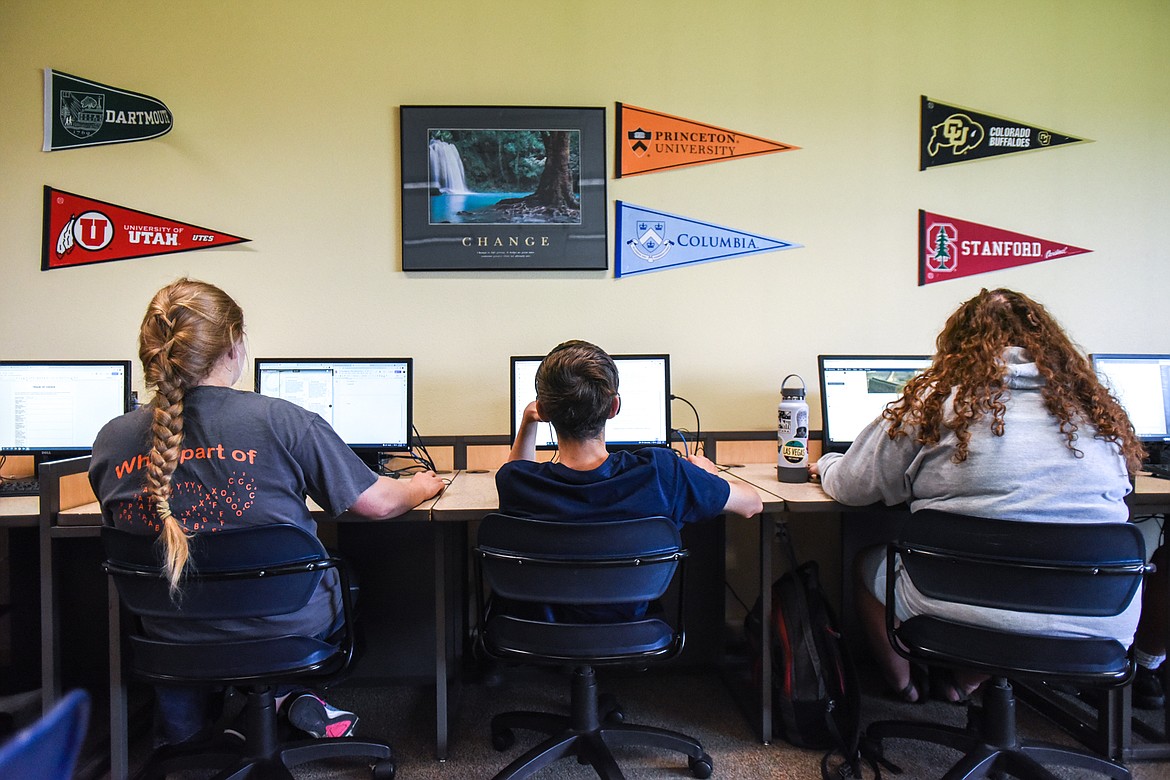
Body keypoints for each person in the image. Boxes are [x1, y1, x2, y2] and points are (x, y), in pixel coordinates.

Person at [88, 278, 444, 745]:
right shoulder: (283, 420)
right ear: (234, 347)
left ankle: (183, 734)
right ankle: (286, 693)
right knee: (345, 576)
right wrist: (419, 486)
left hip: (168, 634)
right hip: (285, 627)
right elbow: (377, 504)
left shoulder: (111, 439)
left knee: (187, 596)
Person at [808, 288, 1145, 705]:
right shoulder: (1097, 414)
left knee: (871, 563)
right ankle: (962, 685)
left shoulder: (933, 404)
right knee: (1016, 585)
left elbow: (851, 488)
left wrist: (824, 464)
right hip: (1096, 616)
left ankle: (905, 688)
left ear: (958, 346)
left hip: (963, 610)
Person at [496, 339, 763, 622]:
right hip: (630, 627)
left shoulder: (517, 483)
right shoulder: (663, 472)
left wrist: (528, 421)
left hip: (541, 630)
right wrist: (710, 476)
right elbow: (752, 505)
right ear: (614, 406)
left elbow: (517, 470)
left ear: (544, 411)